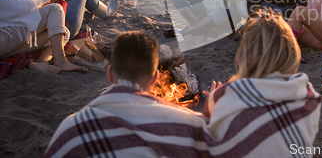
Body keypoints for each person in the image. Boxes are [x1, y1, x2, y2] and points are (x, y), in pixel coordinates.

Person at [43, 31, 211, 158]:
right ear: (155, 78)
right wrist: (212, 114)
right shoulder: (187, 124)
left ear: (110, 74)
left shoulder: (71, 129)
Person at [204, 9, 322, 157]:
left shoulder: (226, 95)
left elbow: (210, 126)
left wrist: (213, 99)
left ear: (246, 53)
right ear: (292, 52)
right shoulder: (308, 94)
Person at [0, 0, 87, 73]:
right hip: (4, 38)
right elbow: (22, 7)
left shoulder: (6, 2)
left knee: (65, 33)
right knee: (56, 8)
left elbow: (23, 11)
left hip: (8, 44)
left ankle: (43, 61)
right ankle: (60, 61)